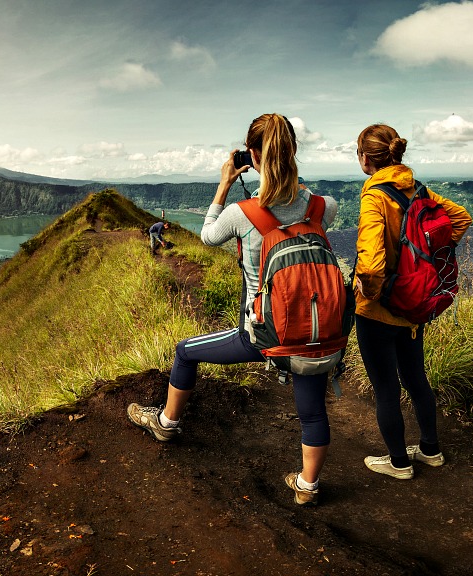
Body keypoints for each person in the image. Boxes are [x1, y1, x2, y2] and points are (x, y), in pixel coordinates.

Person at [126, 114, 339, 507]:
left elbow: (208, 236)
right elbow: (304, 208)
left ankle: (166, 423)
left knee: (184, 351)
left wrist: (225, 183)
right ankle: (307, 485)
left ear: (252, 156)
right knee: (311, 410)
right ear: (293, 154)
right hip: (313, 333)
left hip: (262, 333)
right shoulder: (325, 207)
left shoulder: (244, 213)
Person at [354, 124, 472, 480]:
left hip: (380, 310)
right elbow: (460, 219)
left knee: (386, 386)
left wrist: (367, 292)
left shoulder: (375, 197)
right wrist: (424, 264)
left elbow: (372, 262)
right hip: (415, 304)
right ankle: (430, 450)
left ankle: (399, 463)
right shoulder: (418, 190)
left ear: (364, 157)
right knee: (415, 378)